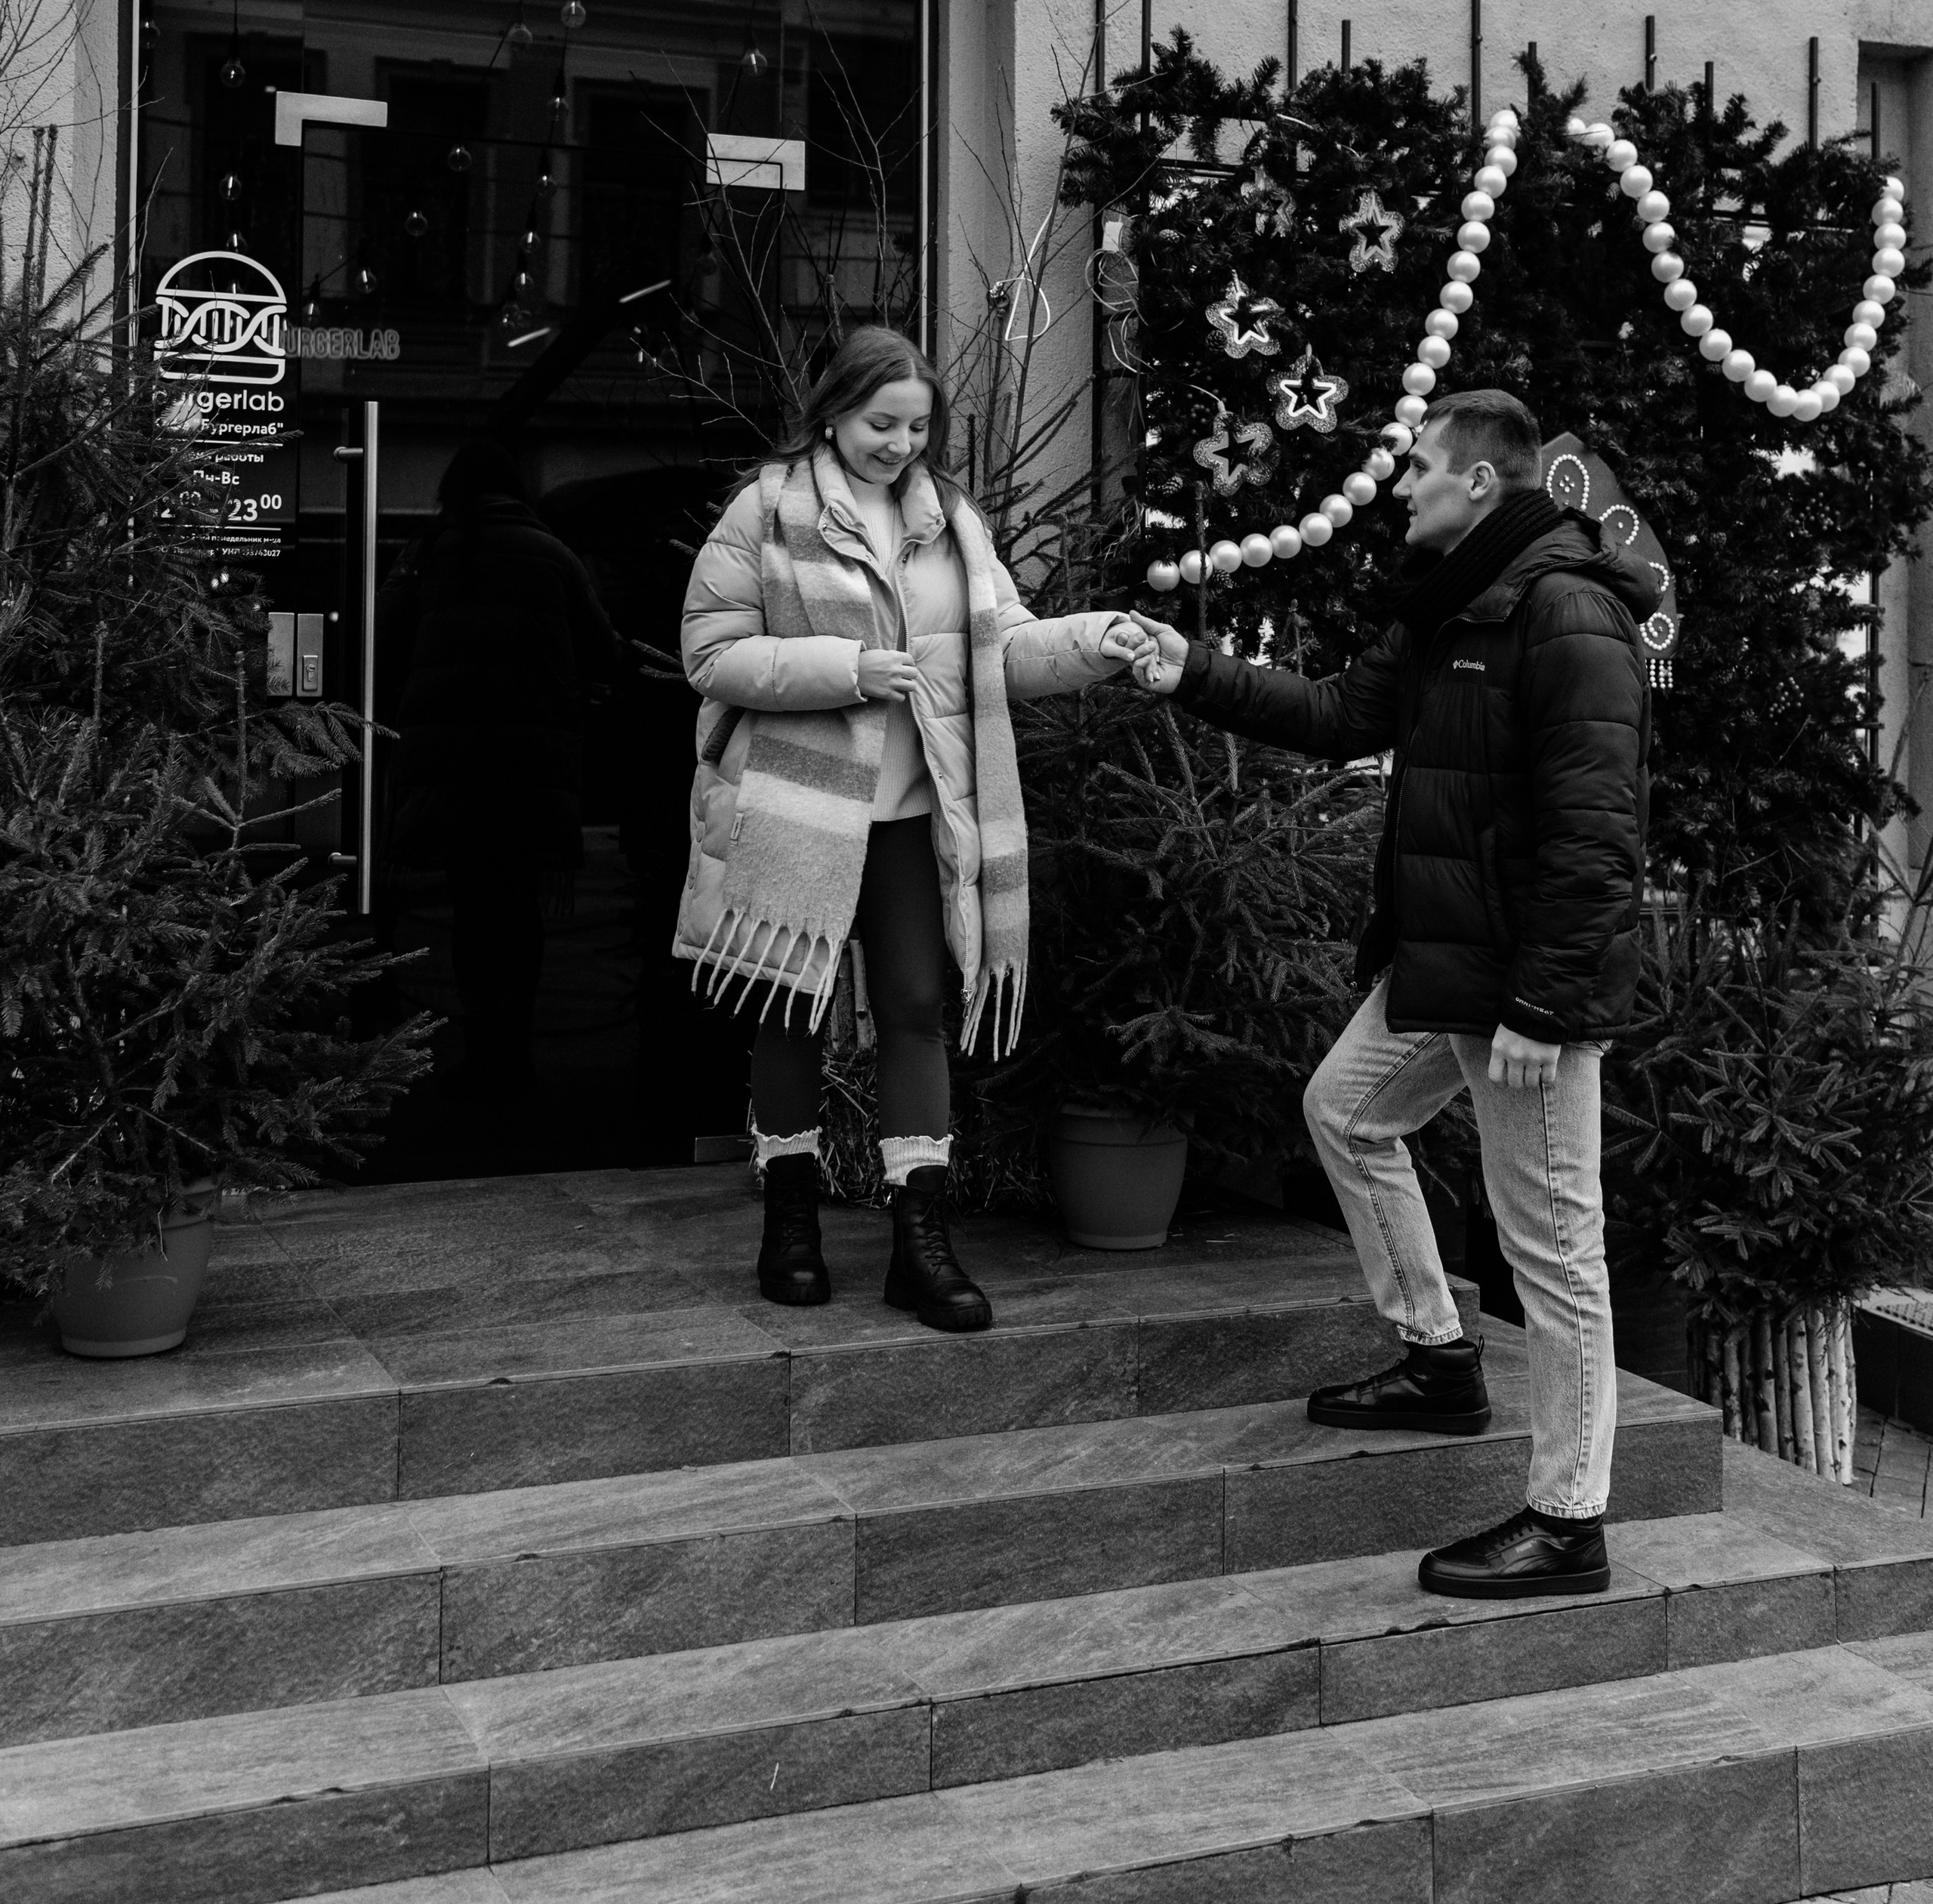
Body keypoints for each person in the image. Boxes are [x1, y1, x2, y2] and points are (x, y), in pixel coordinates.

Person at [1129, 389, 1651, 1600]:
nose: (1399, 485)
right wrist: (1186, 669)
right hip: (1446, 971)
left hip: (1522, 994)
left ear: (1478, 481)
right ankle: (1438, 1358)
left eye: (1417, 468)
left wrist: (1545, 1007)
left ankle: (1569, 1522)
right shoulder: (1453, 607)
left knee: (1558, 1252)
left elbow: (1595, 834)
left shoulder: (1565, 612)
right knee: (1349, 1114)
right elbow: (1333, 715)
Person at [677, 325, 1142, 1330]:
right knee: (787, 1006)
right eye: (880, 422)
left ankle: (918, 1242)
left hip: (912, 811)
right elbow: (710, 655)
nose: (898, 443)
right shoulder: (765, 510)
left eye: (916, 426)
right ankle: (789, 1221)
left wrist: (1095, 644)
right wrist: (845, 671)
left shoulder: (953, 523)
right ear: (833, 413)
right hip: (798, 803)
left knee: (916, 1007)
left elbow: (1004, 648)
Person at [379, 436, 627, 1095]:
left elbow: (381, 643)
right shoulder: (552, 556)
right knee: (520, 910)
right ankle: (513, 1046)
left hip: (452, 769)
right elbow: (604, 651)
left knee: (470, 908)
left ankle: (480, 1043)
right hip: (527, 768)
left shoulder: (430, 555)